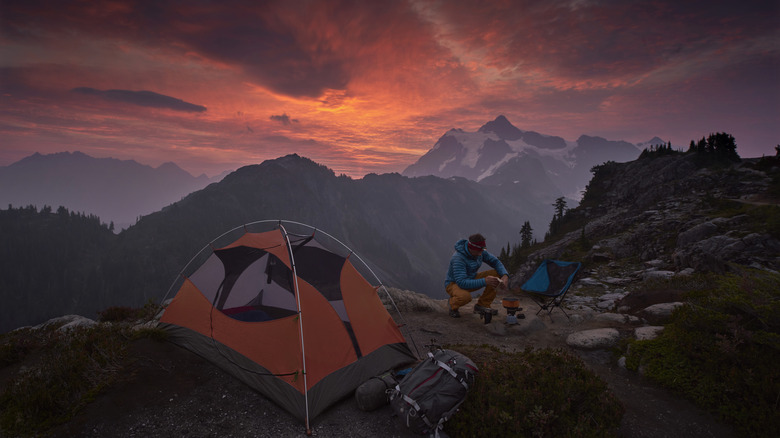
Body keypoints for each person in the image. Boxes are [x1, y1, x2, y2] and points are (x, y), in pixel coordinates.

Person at [445, 233, 509, 318]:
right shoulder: (458, 258)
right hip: (454, 283)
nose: (480, 254)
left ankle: (482, 305)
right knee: (465, 297)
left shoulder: (480, 251)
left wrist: (504, 275)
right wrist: (485, 281)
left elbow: (495, 262)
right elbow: (461, 283)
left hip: (470, 278)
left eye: (482, 250)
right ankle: (452, 303)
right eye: (478, 251)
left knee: (496, 274)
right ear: (471, 248)